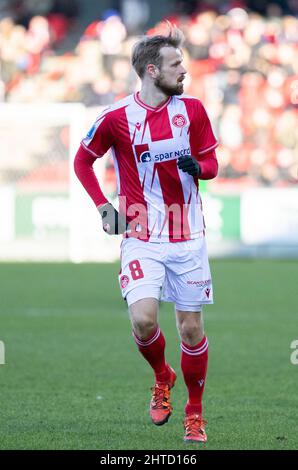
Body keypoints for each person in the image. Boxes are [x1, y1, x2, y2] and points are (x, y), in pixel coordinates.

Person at [74, 23, 218, 443]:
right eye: (176, 64)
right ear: (152, 70)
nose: (183, 71)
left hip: (188, 234)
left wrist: (199, 168)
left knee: (191, 329)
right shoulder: (117, 118)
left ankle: (195, 412)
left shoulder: (192, 111)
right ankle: (162, 375)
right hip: (140, 233)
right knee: (142, 320)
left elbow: (211, 163)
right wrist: (104, 206)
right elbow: (83, 162)